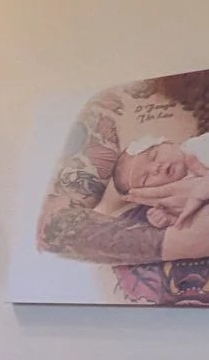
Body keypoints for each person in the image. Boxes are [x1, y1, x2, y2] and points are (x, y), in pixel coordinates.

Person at [36, 69, 209, 303]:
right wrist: (182, 239)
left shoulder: (195, 150)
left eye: (156, 155)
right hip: (142, 328)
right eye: (145, 178)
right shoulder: (118, 106)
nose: (156, 167)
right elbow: (54, 227)